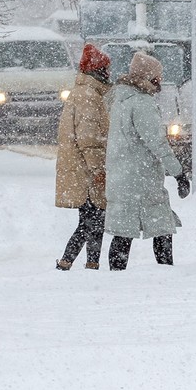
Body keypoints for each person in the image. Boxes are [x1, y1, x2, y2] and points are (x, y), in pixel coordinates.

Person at [103, 50, 189, 269]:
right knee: (162, 226)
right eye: (157, 76)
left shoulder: (120, 100)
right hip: (141, 180)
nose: (160, 81)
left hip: (121, 176)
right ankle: (165, 271)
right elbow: (157, 143)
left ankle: (116, 274)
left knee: (123, 233)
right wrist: (178, 172)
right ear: (148, 77)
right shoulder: (142, 103)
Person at [54, 43, 113, 270]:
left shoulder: (84, 93)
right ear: (98, 71)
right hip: (86, 171)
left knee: (93, 218)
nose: (109, 74)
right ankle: (68, 263)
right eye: (106, 69)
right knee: (93, 220)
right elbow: (89, 138)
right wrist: (98, 169)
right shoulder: (89, 96)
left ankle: (88, 264)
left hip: (81, 168)